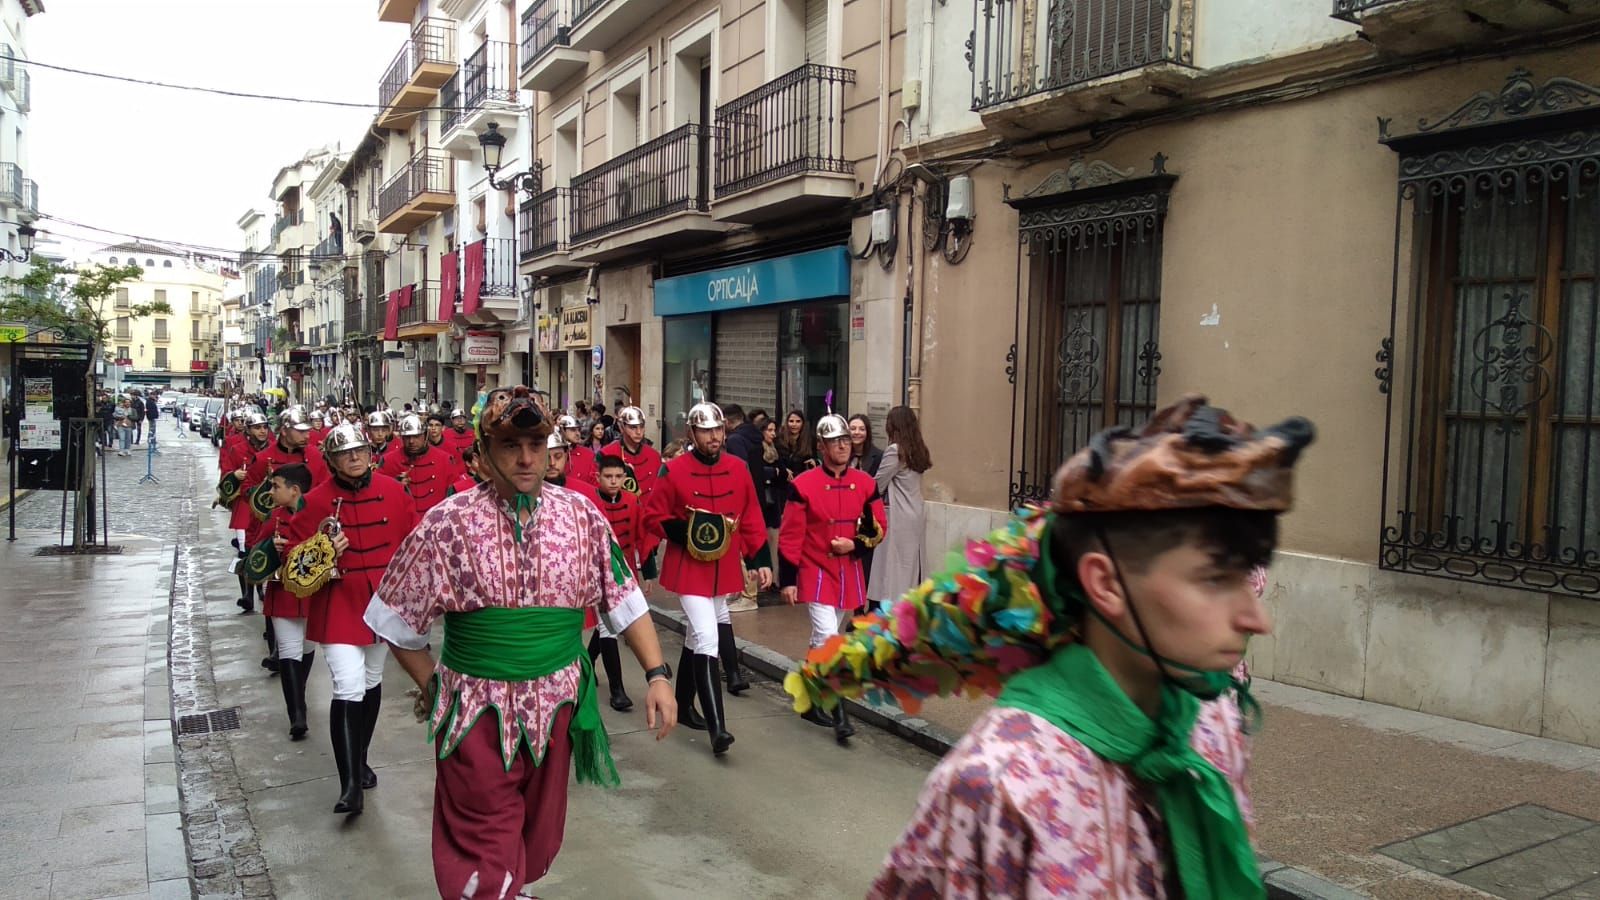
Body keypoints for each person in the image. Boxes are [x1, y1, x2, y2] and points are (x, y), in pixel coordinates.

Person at [786, 395, 1315, 899]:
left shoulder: (1213, 723)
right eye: (1212, 580)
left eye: (1247, 579)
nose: (1255, 619)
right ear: (1105, 584)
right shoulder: (998, 790)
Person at [362, 386, 677, 899]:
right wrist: (436, 686)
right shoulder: (446, 524)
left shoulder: (582, 516)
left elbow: (625, 600)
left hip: (557, 711)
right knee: (483, 846)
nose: (527, 457)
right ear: (484, 454)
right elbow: (396, 619)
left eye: (536, 442)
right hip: (475, 716)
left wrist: (657, 675)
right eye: (511, 445)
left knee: (534, 833)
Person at [286, 421, 418, 816]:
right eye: (345, 453)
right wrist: (322, 548)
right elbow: (291, 563)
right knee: (346, 685)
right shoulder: (314, 501)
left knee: (372, 681)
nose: (355, 457)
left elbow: (413, 547)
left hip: (382, 601)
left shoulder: (395, 492)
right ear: (332, 459)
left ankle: (360, 757)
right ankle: (348, 787)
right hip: (339, 602)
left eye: (359, 450)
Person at [643, 402, 772, 755]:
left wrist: (760, 559)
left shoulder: (739, 467)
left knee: (696, 637)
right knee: (707, 637)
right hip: (689, 568)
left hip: (724, 566)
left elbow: (751, 515)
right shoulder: (674, 470)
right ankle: (719, 729)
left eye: (718, 430)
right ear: (692, 434)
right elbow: (653, 515)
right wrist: (684, 531)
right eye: (706, 431)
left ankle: (684, 705)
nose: (714, 436)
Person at [777, 414, 886, 744]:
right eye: (835, 441)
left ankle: (809, 702)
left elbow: (878, 525)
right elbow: (790, 535)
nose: (842, 445)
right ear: (822, 446)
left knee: (820, 641)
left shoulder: (866, 483)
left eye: (846, 440)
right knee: (830, 639)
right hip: (815, 570)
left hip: (848, 570)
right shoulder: (803, 485)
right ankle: (840, 714)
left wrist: (854, 544)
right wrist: (788, 579)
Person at [246, 462, 317, 741]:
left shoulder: (318, 515)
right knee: (288, 650)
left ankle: (299, 694)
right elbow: (255, 556)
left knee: (308, 647)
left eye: (276, 486)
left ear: (294, 490)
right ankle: (297, 714)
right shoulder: (272, 519)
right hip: (284, 592)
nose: (271, 491)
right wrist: (268, 553)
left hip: (312, 593)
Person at [587, 453, 660, 712]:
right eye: (608, 476)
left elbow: (643, 537)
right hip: (596, 572)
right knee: (610, 629)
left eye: (619, 476)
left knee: (608, 624)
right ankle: (617, 690)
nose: (614, 481)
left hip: (625, 572)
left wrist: (649, 573)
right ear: (598, 477)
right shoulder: (589, 502)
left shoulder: (632, 501)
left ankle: (588, 657)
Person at [868, 405, 932, 608]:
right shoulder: (918, 448)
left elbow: (877, 484)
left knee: (892, 566)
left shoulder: (895, 450)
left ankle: (889, 609)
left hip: (898, 513)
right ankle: (909, 605)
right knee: (910, 564)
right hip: (915, 510)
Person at [380, 414, 456, 515]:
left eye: (416, 436)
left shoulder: (444, 460)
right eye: (407, 437)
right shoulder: (388, 461)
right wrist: (393, 487)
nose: (411, 441)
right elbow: (378, 495)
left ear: (425, 436)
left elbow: (454, 497)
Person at [602, 406, 665, 500]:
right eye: (633, 427)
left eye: (641, 426)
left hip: (649, 512)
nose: (639, 432)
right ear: (622, 427)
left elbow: (662, 489)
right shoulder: (606, 454)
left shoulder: (654, 455)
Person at [558, 415, 599, 486]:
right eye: (573, 430)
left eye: (578, 430)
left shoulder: (589, 454)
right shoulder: (554, 454)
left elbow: (595, 483)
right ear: (562, 430)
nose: (578, 434)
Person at [777, 409, 815, 477]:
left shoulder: (809, 439)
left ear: (803, 423)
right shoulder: (779, 438)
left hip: (802, 477)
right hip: (783, 478)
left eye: (798, 421)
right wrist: (783, 469)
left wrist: (814, 462)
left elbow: (815, 457)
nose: (794, 424)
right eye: (791, 421)